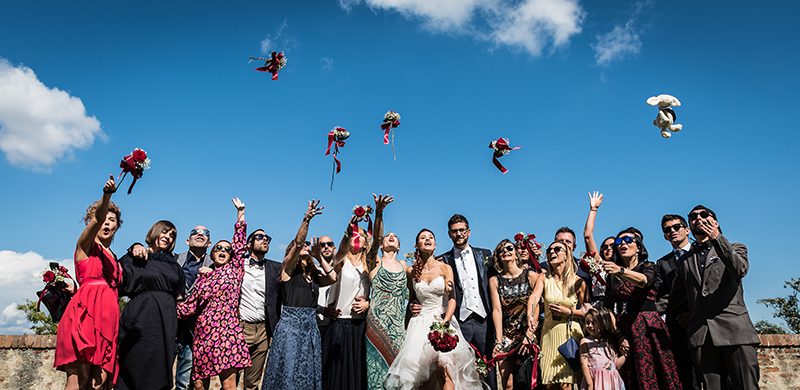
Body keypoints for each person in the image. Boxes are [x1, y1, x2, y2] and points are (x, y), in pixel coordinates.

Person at [668, 206, 760, 390]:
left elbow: (739, 269)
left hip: (735, 332)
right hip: (701, 336)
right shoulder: (684, 260)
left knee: (746, 386)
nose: (698, 218)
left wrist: (717, 237)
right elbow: (674, 298)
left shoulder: (736, 248)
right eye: (693, 217)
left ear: (715, 222)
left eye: (704, 215)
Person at [384, 229, 486, 390]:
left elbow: (452, 298)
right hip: (419, 325)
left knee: (444, 370)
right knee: (422, 378)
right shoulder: (411, 271)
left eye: (430, 237)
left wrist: (445, 322)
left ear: (435, 244)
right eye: (423, 238)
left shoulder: (445, 268)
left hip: (442, 321)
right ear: (416, 245)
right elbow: (412, 300)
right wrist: (410, 310)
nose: (427, 240)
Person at [55, 175, 122, 390]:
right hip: (84, 316)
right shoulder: (84, 246)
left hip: (108, 320)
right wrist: (107, 195)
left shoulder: (114, 258)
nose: (106, 222)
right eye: (102, 219)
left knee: (100, 385)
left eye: (112, 220)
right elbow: (97, 218)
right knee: (79, 382)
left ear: (117, 226)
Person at [176, 198, 252, 390]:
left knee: (228, 386)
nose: (223, 250)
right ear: (212, 252)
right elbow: (189, 306)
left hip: (227, 332)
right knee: (200, 386)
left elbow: (240, 244)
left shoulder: (235, 270)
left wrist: (240, 214)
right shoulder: (204, 277)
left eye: (227, 249)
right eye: (219, 247)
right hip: (203, 333)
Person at [262, 200, 336, 390]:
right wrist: (306, 220)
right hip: (290, 328)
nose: (304, 248)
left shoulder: (314, 275)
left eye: (306, 248)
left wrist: (319, 256)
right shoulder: (287, 270)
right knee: (288, 371)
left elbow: (333, 277)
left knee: (307, 372)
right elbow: (298, 242)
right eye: (300, 248)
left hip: (310, 328)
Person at [602, 228, 680, 390]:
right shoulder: (612, 275)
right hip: (624, 327)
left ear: (639, 247)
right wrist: (619, 335)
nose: (623, 243)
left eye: (629, 240)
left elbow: (645, 281)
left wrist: (621, 271)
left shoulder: (648, 266)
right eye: (619, 241)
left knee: (658, 374)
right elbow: (608, 308)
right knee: (630, 377)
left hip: (647, 327)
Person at [117, 221, 186, 390]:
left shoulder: (175, 267)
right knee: (132, 362)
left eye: (172, 236)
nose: (168, 237)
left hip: (166, 321)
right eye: (165, 232)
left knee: (159, 366)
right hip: (138, 317)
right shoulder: (134, 256)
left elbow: (181, 300)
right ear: (155, 232)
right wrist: (134, 246)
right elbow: (114, 280)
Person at [436, 214, 497, 389]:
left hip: (483, 321)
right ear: (449, 234)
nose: (459, 234)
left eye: (462, 230)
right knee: (460, 370)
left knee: (489, 370)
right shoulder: (443, 260)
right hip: (459, 321)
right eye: (454, 231)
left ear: (469, 232)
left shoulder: (485, 255)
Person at [322, 209, 373, 390]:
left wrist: (369, 303)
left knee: (358, 375)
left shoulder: (370, 266)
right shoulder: (341, 261)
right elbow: (342, 248)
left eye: (360, 236)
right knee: (338, 377)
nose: (355, 238)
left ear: (366, 241)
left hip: (362, 327)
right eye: (353, 236)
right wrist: (349, 228)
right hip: (340, 324)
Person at [363, 194, 407, 390]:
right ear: (381, 244)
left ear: (398, 246)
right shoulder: (375, 262)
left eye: (395, 237)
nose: (392, 237)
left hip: (399, 327)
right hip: (376, 324)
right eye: (388, 236)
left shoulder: (406, 266)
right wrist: (379, 213)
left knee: (398, 375)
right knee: (376, 372)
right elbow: (376, 238)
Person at [533, 241, 587, 389]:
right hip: (549, 334)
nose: (552, 252)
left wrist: (569, 312)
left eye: (557, 249)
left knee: (565, 385)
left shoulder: (578, 282)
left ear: (566, 256)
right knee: (549, 385)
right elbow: (534, 299)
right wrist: (531, 320)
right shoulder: (543, 279)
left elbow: (588, 312)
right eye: (549, 250)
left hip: (569, 335)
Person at [488, 239, 541, 390]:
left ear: (516, 253)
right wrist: (499, 340)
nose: (506, 251)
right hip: (506, 336)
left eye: (509, 248)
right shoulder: (495, 281)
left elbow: (537, 305)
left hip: (527, 335)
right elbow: (497, 311)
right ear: (498, 257)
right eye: (501, 250)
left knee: (526, 382)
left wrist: (529, 334)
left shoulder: (530, 276)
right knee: (507, 384)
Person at [655, 214, 699, 390]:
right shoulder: (662, 263)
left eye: (676, 227)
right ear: (665, 236)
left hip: (706, 323)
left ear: (687, 229)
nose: (672, 231)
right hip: (678, 327)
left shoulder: (702, 253)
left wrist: (694, 314)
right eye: (667, 230)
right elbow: (662, 295)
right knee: (687, 379)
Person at [240, 223, 283, 390]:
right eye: (259, 237)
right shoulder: (237, 265)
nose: (265, 240)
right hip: (240, 328)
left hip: (264, 331)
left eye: (267, 238)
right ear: (248, 244)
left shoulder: (276, 268)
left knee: (252, 383)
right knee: (231, 380)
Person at [174, 224, 214, 390]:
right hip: (171, 323)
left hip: (195, 328)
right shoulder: (175, 259)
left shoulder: (215, 266)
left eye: (205, 233)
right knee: (161, 369)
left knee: (185, 377)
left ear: (209, 243)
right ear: (187, 240)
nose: (200, 234)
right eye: (195, 232)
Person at [579, 307, 626, 390]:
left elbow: (616, 364)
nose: (590, 325)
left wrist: (625, 355)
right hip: (595, 381)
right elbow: (584, 364)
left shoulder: (610, 342)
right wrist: (590, 383)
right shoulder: (585, 341)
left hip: (611, 382)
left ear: (602, 323)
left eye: (593, 323)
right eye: (587, 322)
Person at [582, 192, 612, 308]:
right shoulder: (598, 264)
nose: (609, 248)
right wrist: (593, 209)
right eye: (605, 247)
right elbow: (588, 236)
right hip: (598, 309)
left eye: (612, 246)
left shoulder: (625, 268)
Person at [314, 235, 337, 346]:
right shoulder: (313, 269)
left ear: (335, 248)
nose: (326, 247)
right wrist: (321, 310)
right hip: (318, 324)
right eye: (322, 245)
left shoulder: (342, 269)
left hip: (338, 323)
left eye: (329, 244)